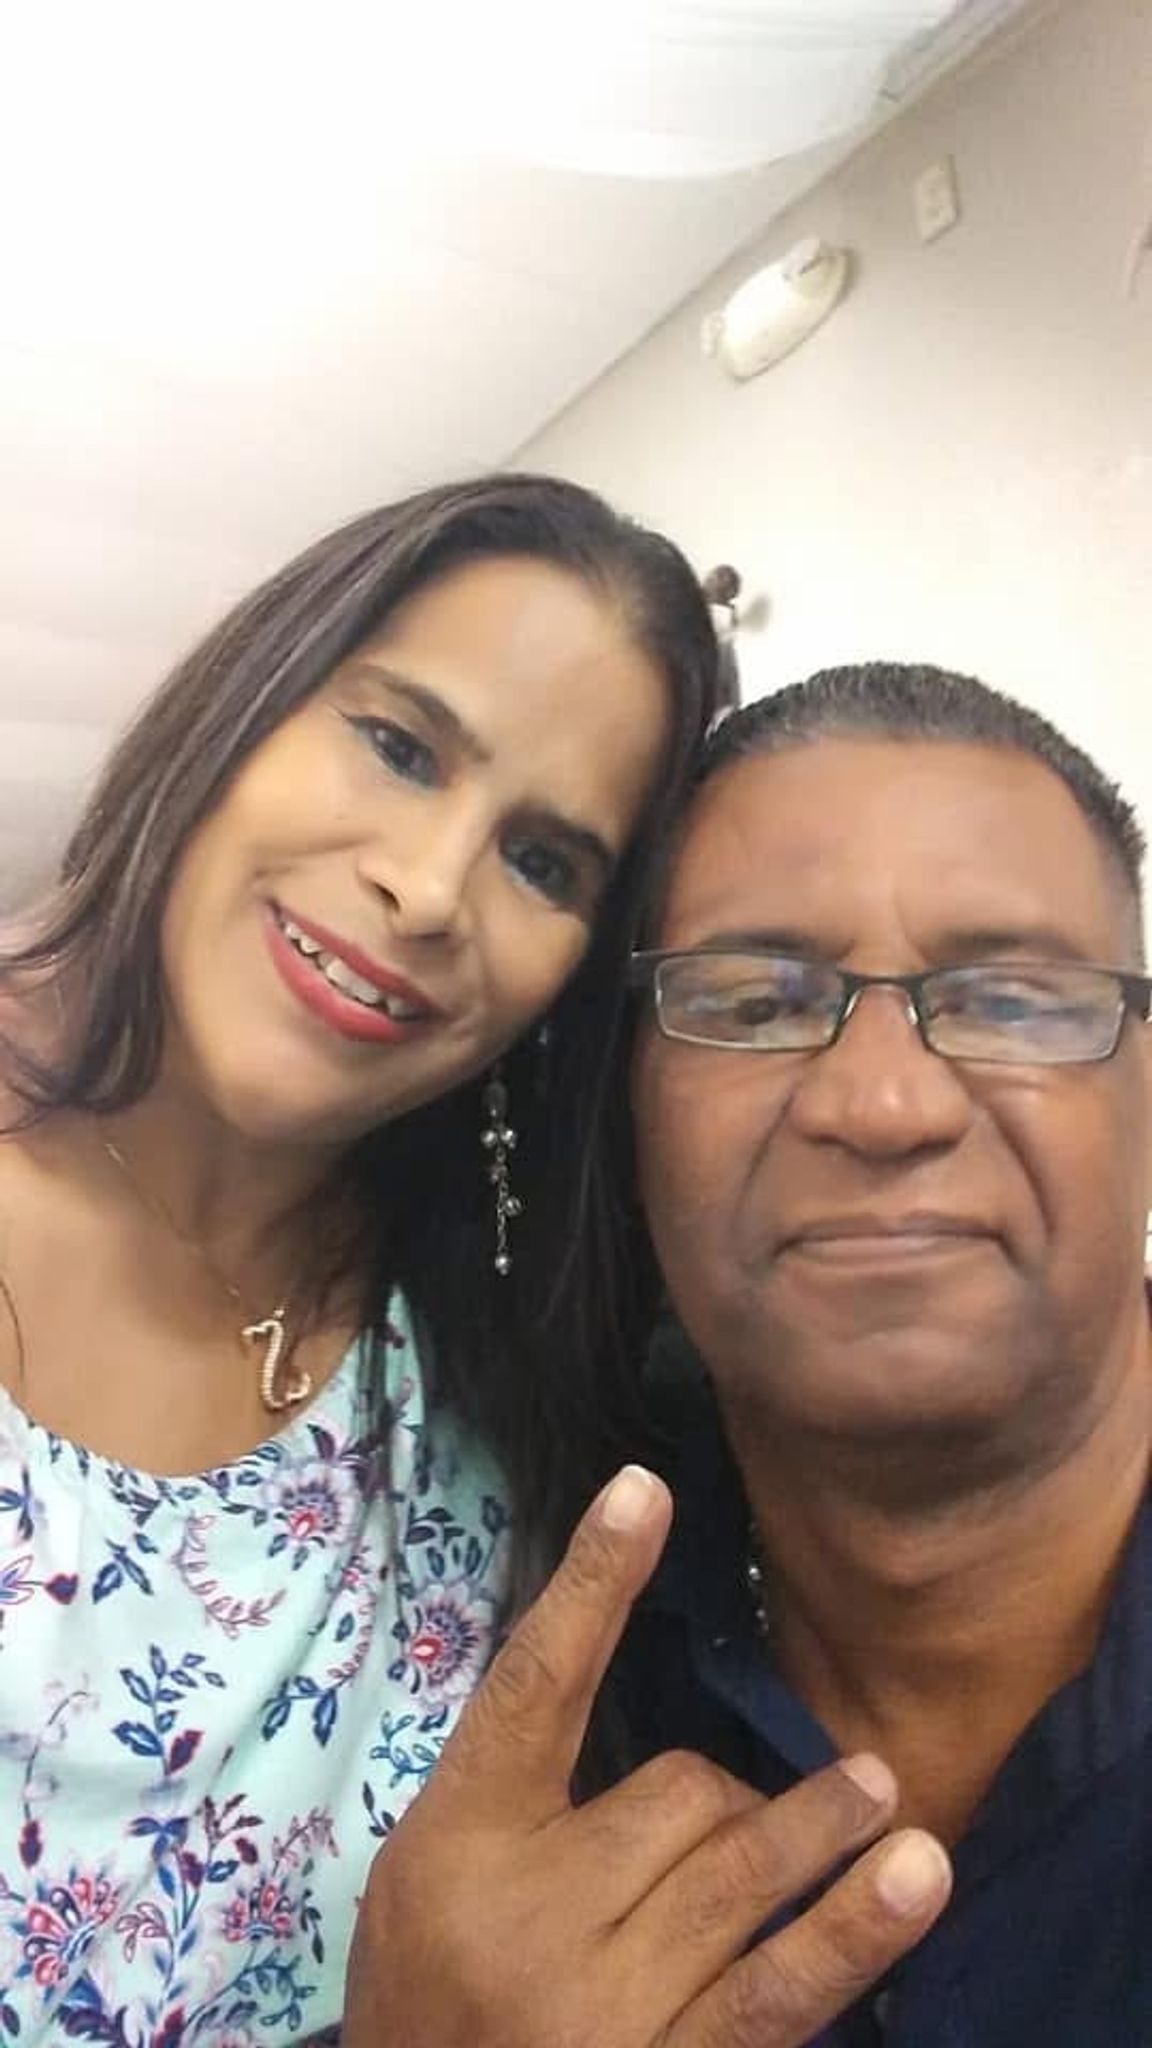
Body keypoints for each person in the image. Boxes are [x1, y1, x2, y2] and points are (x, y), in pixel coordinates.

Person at [0, 471, 722, 2042]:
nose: (428, 886)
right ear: (245, 701)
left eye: (546, 862)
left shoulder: (499, 1350)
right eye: (398, 746)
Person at [357, 659, 1150, 2048]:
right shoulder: (500, 1641)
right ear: (630, 1116)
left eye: (1012, 999)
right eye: (751, 1002)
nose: (885, 1104)